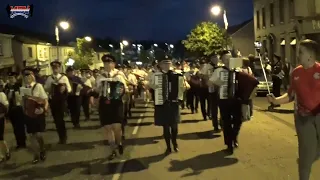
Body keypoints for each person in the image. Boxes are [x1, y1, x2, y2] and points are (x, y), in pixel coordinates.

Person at [267, 39, 320, 180]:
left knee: (313, 152)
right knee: (305, 153)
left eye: (301, 52)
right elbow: (291, 94)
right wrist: (276, 100)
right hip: (303, 118)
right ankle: (305, 167)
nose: (298, 55)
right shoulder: (296, 73)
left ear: (311, 55)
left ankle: (309, 158)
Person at [149, 51, 187, 154]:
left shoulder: (177, 74)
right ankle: (168, 146)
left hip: (174, 103)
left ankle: (174, 142)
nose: (167, 65)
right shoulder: (155, 75)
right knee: (165, 127)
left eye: (168, 63)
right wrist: (158, 86)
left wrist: (184, 88)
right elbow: (151, 86)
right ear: (160, 64)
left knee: (174, 126)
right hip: (162, 103)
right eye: (164, 63)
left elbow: (185, 86)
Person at [208, 50, 243, 154]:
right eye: (225, 59)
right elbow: (210, 83)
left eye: (229, 58)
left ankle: (234, 136)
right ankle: (229, 144)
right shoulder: (219, 71)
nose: (228, 61)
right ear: (222, 60)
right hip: (224, 99)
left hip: (236, 99)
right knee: (226, 122)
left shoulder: (238, 70)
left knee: (238, 120)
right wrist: (219, 83)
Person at [94, 54, 127, 160]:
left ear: (113, 64)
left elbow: (125, 89)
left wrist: (121, 91)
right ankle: (113, 150)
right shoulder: (100, 77)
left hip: (116, 103)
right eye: (105, 63)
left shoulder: (119, 76)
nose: (107, 65)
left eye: (109, 63)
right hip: (105, 104)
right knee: (108, 128)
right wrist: (96, 91)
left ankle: (119, 142)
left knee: (117, 127)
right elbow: (97, 91)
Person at [21, 67, 48, 164]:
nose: (27, 78)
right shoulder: (23, 89)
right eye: (25, 76)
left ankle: (42, 149)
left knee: (38, 134)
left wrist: (43, 109)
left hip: (37, 113)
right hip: (28, 114)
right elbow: (22, 102)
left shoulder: (38, 86)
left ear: (32, 76)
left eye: (28, 76)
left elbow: (45, 99)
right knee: (31, 136)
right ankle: (36, 155)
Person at [44, 61, 71, 144]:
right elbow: (46, 89)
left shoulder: (64, 78)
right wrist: (50, 87)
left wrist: (64, 88)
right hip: (53, 101)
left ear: (59, 68)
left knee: (60, 119)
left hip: (61, 101)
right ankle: (61, 136)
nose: (55, 69)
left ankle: (63, 137)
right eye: (54, 68)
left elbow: (69, 89)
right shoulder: (49, 78)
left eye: (57, 68)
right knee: (56, 120)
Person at [5, 72, 26, 149]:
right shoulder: (7, 86)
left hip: (18, 108)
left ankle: (23, 142)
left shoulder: (19, 86)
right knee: (15, 127)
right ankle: (18, 142)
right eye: (9, 78)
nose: (11, 79)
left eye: (12, 78)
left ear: (15, 78)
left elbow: (22, 96)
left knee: (20, 126)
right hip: (11, 109)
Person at [0, 81, 10, 163]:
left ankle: (6, 151)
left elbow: (6, 106)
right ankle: (1, 156)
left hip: (0, 118)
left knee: (1, 138)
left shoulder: (1, 95)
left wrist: (4, 115)